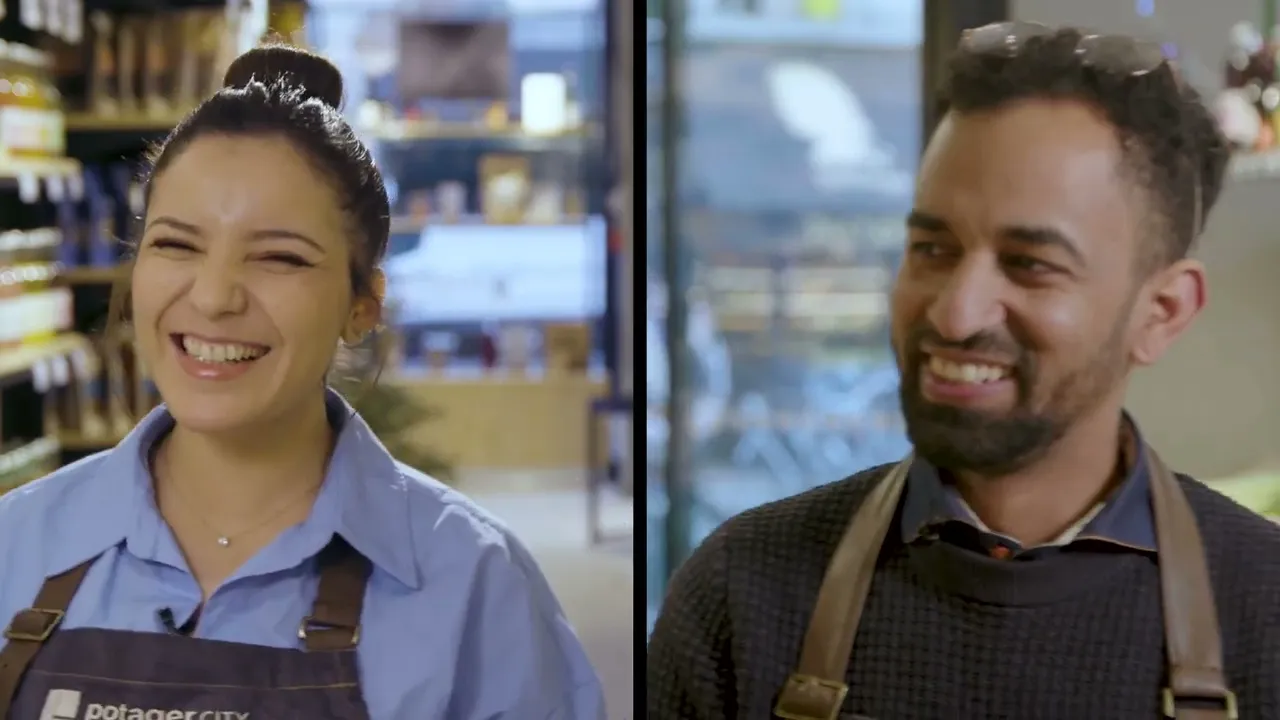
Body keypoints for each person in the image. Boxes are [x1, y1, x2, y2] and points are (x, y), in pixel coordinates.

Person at [647, 21, 1280, 720]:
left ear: (1161, 312)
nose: (954, 314)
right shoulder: (742, 595)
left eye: (1030, 264)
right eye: (932, 249)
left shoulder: (1264, 610)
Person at [0, 45, 605, 719]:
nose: (214, 296)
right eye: (176, 245)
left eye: (279, 257)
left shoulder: (474, 587)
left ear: (361, 306)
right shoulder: (18, 546)